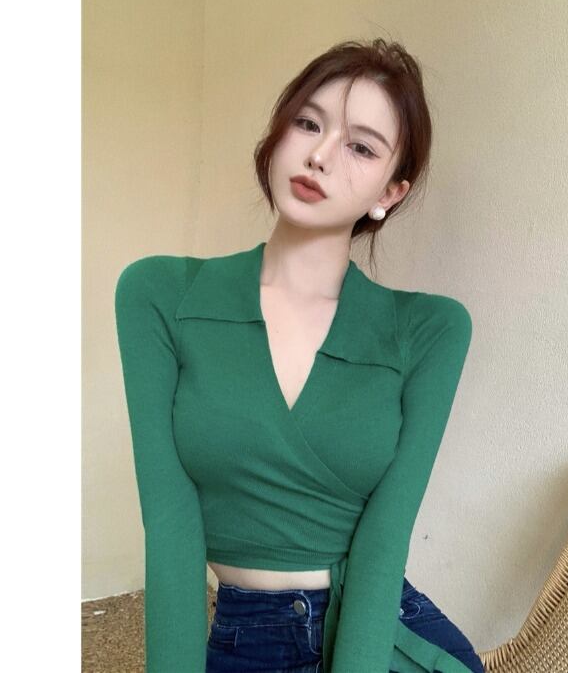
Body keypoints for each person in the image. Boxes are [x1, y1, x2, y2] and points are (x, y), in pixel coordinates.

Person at [115, 38, 485, 673]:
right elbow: (170, 526)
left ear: (390, 192)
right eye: (308, 123)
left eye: (361, 147)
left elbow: (385, 538)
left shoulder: (429, 329)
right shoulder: (160, 294)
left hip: (375, 629)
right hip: (246, 633)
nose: (319, 155)